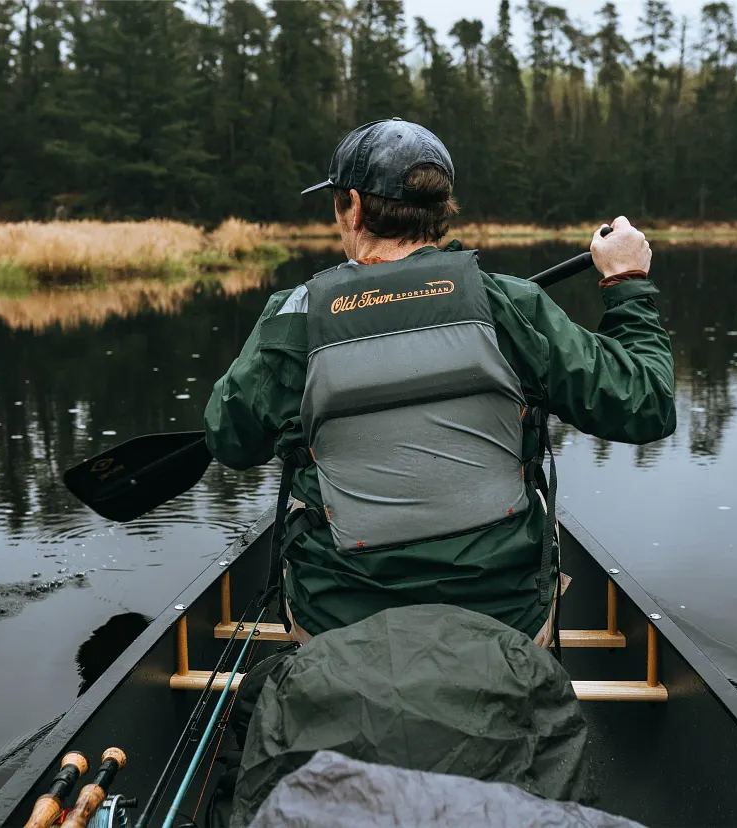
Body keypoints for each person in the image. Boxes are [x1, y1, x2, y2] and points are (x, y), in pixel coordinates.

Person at [204, 118, 675, 647]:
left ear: (353, 207)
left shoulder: (293, 320)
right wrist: (627, 281)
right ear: (439, 212)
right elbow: (647, 402)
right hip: (506, 620)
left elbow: (232, 441)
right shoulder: (511, 306)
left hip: (337, 623)